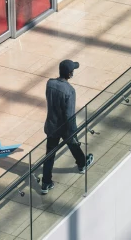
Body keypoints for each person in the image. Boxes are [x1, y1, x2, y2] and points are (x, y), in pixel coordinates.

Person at [40, 60, 94, 194]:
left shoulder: (50, 83)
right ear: (70, 74)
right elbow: (70, 114)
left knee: (50, 155)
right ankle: (82, 164)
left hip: (52, 125)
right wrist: (73, 131)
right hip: (64, 126)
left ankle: (46, 183)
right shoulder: (70, 91)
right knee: (73, 144)